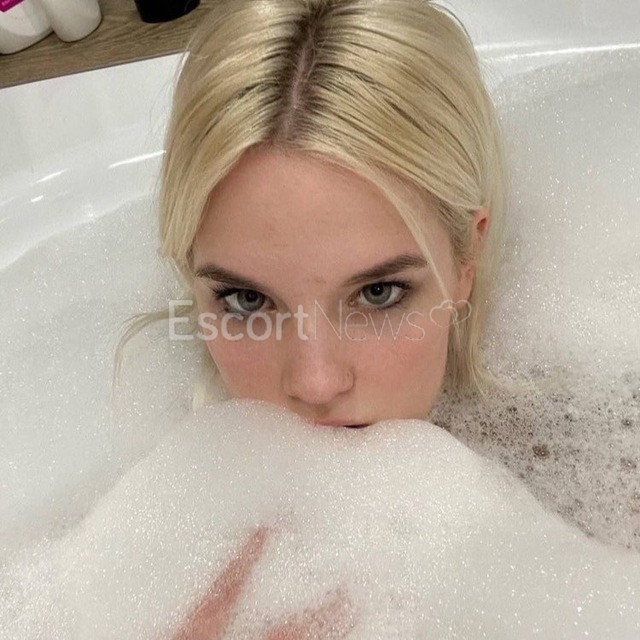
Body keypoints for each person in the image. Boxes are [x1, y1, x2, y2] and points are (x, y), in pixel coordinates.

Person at [113, 0, 511, 635]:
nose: (315, 382)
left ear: (467, 260)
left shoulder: (591, 473)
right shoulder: (125, 524)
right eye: (246, 301)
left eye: (378, 293)